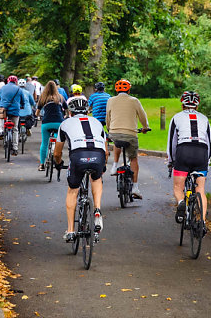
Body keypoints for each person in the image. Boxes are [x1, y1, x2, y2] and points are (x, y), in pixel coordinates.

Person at [54, 97, 109, 242]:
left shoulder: (64, 123)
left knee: (73, 190)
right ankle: (97, 209)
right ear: (87, 111)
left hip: (78, 156)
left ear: (70, 112)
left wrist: (58, 163)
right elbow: (106, 149)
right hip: (98, 154)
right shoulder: (96, 122)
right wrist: (103, 165)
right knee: (96, 178)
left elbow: (57, 152)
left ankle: (71, 230)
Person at [167, 91, 211, 235]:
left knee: (178, 187)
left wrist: (171, 161)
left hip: (184, 151)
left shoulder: (176, 118)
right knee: (200, 190)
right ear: (197, 105)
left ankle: (182, 203)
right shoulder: (205, 119)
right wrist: (207, 160)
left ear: (182, 104)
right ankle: (202, 223)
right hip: (201, 152)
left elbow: (172, 143)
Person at [106, 79, 150, 200]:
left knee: (116, 141)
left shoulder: (110, 100)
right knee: (134, 158)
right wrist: (145, 127)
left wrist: (110, 129)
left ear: (116, 90)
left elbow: (108, 117)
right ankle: (135, 187)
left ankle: (114, 165)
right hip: (131, 134)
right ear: (129, 90)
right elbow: (142, 116)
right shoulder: (134, 101)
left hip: (114, 132)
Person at [35, 80, 68, 171]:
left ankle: (42, 164)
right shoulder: (60, 97)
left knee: (44, 143)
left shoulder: (43, 98)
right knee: (58, 140)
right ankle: (56, 157)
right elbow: (67, 109)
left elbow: (37, 112)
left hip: (46, 123)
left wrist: (37, 116)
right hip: (59, 123)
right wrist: (66, 115)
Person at [0, 75, 25, 156]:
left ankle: (0, 131)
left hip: (4, 109)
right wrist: (22, 106)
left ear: (8, 81)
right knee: (15, 129)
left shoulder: (3, 88)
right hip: (15, 111)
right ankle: (15, 148)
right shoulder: (19, 89)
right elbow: (23, 100)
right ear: (16, 82)